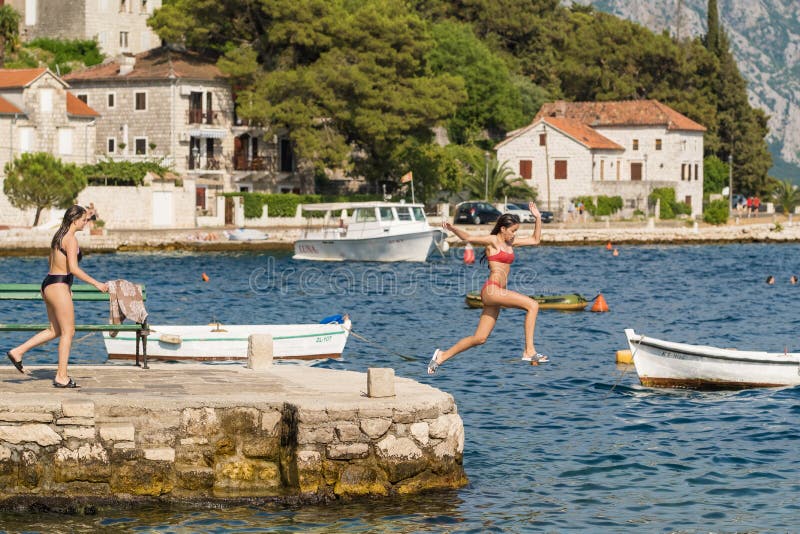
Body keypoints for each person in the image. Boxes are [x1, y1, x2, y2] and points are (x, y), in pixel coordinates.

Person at [428, 202, 546, 374]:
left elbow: (536, 240)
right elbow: (468, 238)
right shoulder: (492, 241)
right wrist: (453, 228)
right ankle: (529, 350)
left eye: (516, 232)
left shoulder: (511, 243)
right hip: (492, 290)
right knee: (532, 305)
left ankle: (441, 356)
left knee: (480, 338)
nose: (514, 235)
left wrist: (538, 218)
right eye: (512, 231)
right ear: (503, 229)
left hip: (497, 295)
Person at [6, 205, 108, 388]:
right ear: (74, 220)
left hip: (49, 283)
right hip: (58, 286)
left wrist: (66, 286)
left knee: (55, 330)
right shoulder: (71, 239)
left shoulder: (58, 236)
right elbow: (74, 269)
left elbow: (53, 262)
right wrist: (97, 284)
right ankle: (61, 376)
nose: (86, 223)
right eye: (84, 220)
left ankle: (18, 351)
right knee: (69, 332)